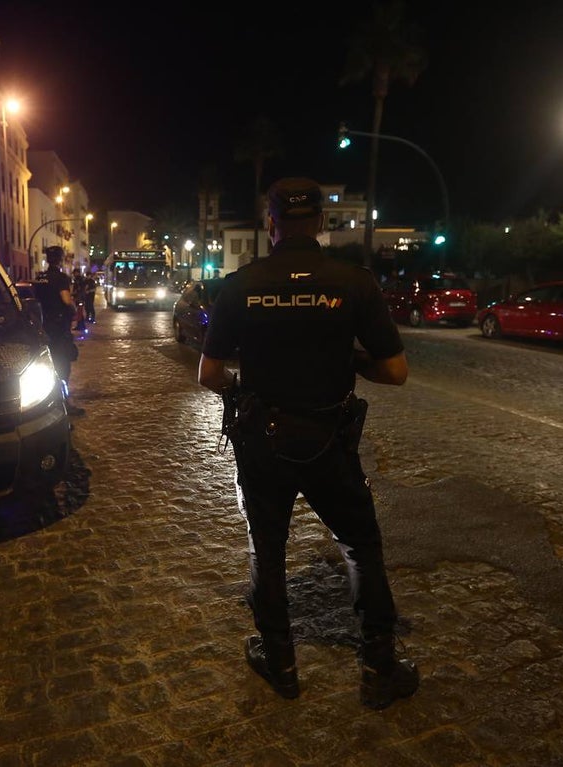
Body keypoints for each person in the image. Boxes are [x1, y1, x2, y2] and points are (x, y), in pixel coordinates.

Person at [197, 177, 418, 708]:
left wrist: (247, 389)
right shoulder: (354, 283)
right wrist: (350, 362)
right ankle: (378, 666)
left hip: (263, 443)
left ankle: (282, 665)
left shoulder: (240, 285)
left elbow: (209, 374)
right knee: (361, 546)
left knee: (268, 552)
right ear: (319, 222)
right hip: (329, 442)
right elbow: (396, 372)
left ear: (270, 223)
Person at [37, 246, 85, 417]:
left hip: (44, 326)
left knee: (49, 364)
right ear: (60, 259)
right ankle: (64, 404)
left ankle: (49, 402)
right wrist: (74, 309)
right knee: (63, 365)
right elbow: (66, 299)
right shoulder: (61, 278)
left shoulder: (40, 278)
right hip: (59, 328)